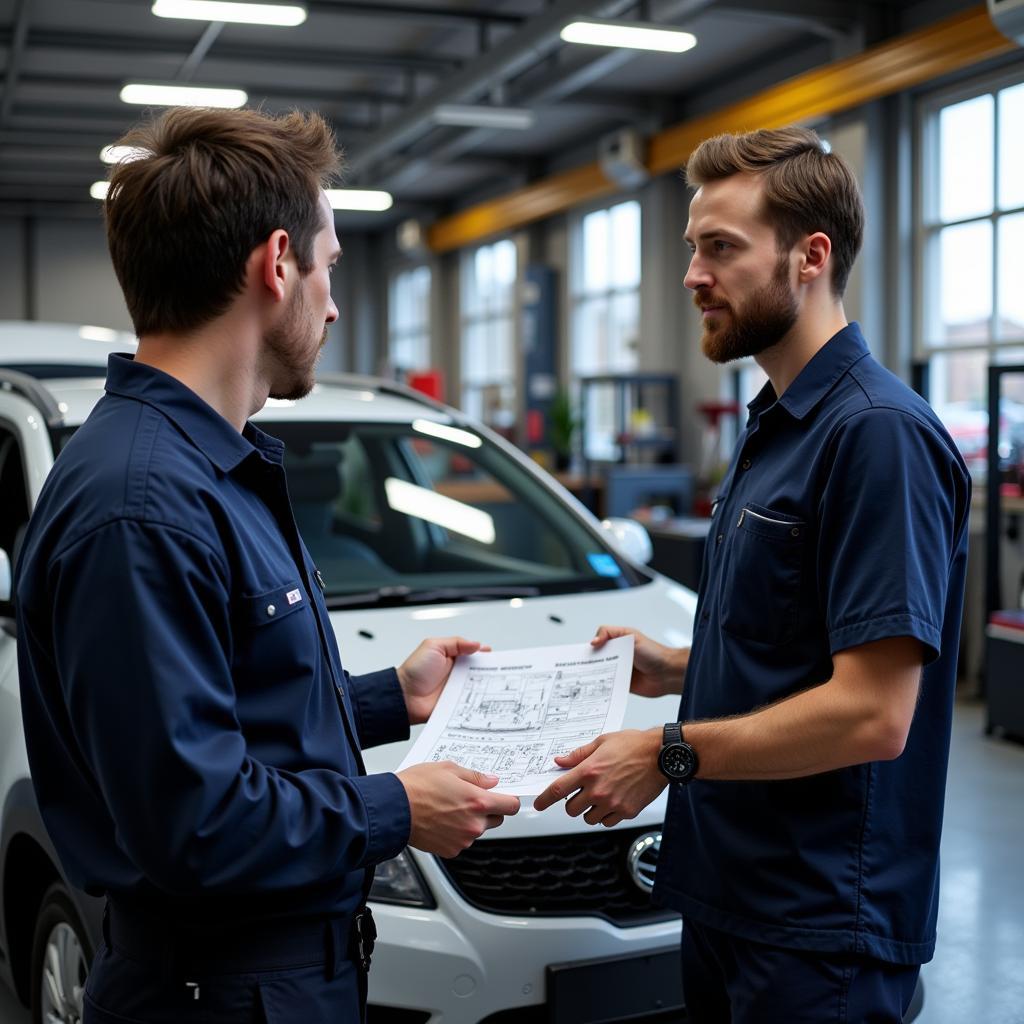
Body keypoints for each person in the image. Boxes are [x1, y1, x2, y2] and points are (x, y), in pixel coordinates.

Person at [16, 106, 519, 1024]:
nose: (331, 303)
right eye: (329, 269)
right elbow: (195, 824)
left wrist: (386, 699)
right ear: (276, 262)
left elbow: (232, 709)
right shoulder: (143, 505)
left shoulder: (204, 466)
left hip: (270, 978)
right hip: (221, 990)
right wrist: (395, 808)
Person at [535, 126, 971, 1023]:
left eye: (720, 248)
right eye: (694, 247)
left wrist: (669, 751)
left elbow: (873, 712)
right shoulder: (776, 425)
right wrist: (680, 667)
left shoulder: (876, 437)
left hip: (818, 931)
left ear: (810, 257)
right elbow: (803, 645)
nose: (693, 274)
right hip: (731, 896)